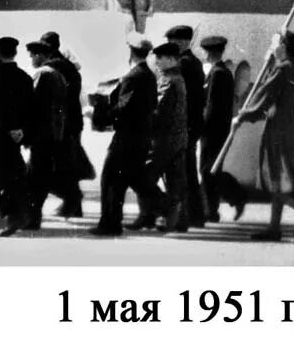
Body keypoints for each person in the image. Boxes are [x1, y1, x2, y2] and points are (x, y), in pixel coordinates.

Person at [234, 31, 294, 241]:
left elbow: (265, 94)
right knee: (278, 180)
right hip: (290, 127)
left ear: (283, 45)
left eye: (274, 42)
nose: (270, 46)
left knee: (277, 180)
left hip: (278, 129)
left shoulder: (282, 70)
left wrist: (242, 116)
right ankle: (274, 227)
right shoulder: (293, 68)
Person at [90, 34, 159, 236]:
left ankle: (110, 224)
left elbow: (124, 108)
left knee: (110, 179)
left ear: (130, 51)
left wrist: (102, 116)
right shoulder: (149, 75)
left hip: (126, 138)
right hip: (141, 137)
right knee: (132, 179)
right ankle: (164, 204)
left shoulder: (133, 76)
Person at [41, 31, 89, 218]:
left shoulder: (53, 67)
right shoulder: (69, 66)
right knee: (68, 163)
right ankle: (74, 205)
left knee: (52, 164)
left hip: (61, 124)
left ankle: (72, 199)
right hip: (72, 122)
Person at [24, 40, 68, 230]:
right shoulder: (58, 75)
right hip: (54, 133)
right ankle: (34, 216)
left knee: (35, 177)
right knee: (42, 176)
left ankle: (33, 218)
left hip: (41, 134)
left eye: (32, 55)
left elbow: (32, 105)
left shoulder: (42, 74)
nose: (31, 59)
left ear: (40, 55)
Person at [166, 24, 206, 228]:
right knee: (188, 170)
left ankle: (190, 214)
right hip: (193, 123)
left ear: (182, 42)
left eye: (173, 41)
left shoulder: (184, 64)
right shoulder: (194, 62)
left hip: (186, 124)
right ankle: (196, 214)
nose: (170, 45)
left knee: (184, 171)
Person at [147, 41, 189, 232]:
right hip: (178, 137)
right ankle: (176, 220)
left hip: (164, 138)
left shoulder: (168, 80)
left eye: (160, 58)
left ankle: (163, 213)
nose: (156, 61)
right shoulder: (178, 78)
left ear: (172, 59)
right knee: (174, 180)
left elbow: (159, 109)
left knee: (146, 177)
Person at [0, 37, 34, 236]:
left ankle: (8, 213)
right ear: (15, 53)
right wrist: (22, 130)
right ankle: (16, 214)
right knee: (13, 175)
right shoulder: (25, 78)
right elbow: (30, 109)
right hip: (14, 136)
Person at [200, 35, 236, 223]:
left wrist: (203, 127)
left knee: (207, 170)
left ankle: (212, 210)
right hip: (219, 129)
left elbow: (212, 106)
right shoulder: (221, 71)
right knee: (211, 169)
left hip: (213, 130)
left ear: (210, 53)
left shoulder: (217, 73)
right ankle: (214, 206)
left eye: (205, 52)